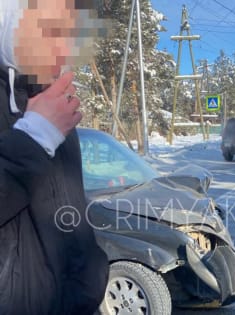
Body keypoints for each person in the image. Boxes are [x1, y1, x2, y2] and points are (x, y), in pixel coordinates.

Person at [0, 0, 109, 314]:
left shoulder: (52, 105)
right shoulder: (43, 122)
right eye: (50, 31)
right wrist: (33, 138)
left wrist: (92, 274)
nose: (64, 51)